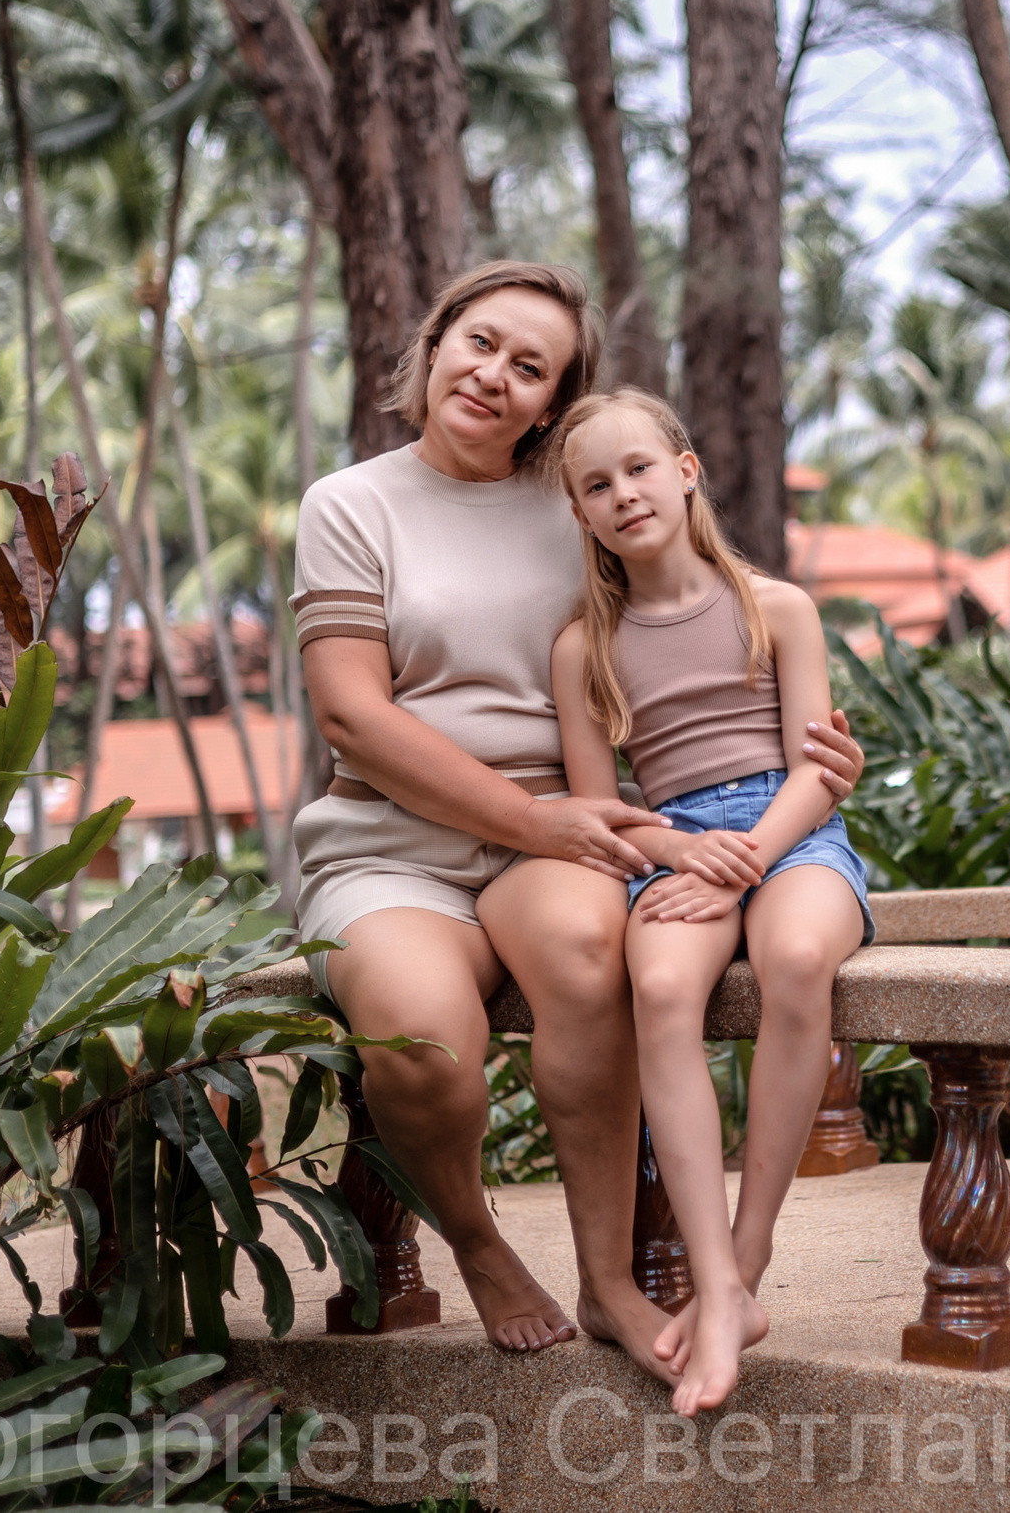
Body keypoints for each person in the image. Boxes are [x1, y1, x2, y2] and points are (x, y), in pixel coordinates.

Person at [290, 261, 864, 1376]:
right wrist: (538, 819)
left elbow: (694, 623)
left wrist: (803, 759)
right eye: (481, 344)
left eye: (530, 367)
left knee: (595, 950)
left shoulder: (581, 501)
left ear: (552, 402)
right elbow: (352, 715)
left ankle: (607, 1279)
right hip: (389, 843)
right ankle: (480, 1243)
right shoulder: (351, 503)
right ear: (438, 341)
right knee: (422, 1042)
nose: (494, 376)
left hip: (566, 830)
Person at [548, 389, 874, 1416]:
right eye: (596, 485)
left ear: (685, 471)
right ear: (581, 516)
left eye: (639, 468)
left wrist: (749, 855)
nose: (623, 493)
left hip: (793, 835)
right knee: (657, 986)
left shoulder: (777, 608)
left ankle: (742, 1264)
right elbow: (601, 807)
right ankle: (711, 1273)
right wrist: (689, 852)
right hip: (674, 845)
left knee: (795, 962)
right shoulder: (582, 648)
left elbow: (818, 769)